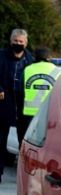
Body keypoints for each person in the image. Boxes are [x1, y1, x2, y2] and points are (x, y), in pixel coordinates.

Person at [0, 29, 33, 182]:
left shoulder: (31, 60)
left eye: (21, 42)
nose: (18, 44)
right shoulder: (1, 56)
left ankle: (24, 177)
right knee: (1, 139)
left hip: (24, 105)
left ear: (26, 43)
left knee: (24, 142)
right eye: (16, 41)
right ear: (11, 41)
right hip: (4, 102)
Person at [23, 47, 61, 124]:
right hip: (49, 113)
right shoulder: (58, 71)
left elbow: (19, 92)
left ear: (35, 57)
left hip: (29, 114)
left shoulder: (27, 69)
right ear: (49, 57)